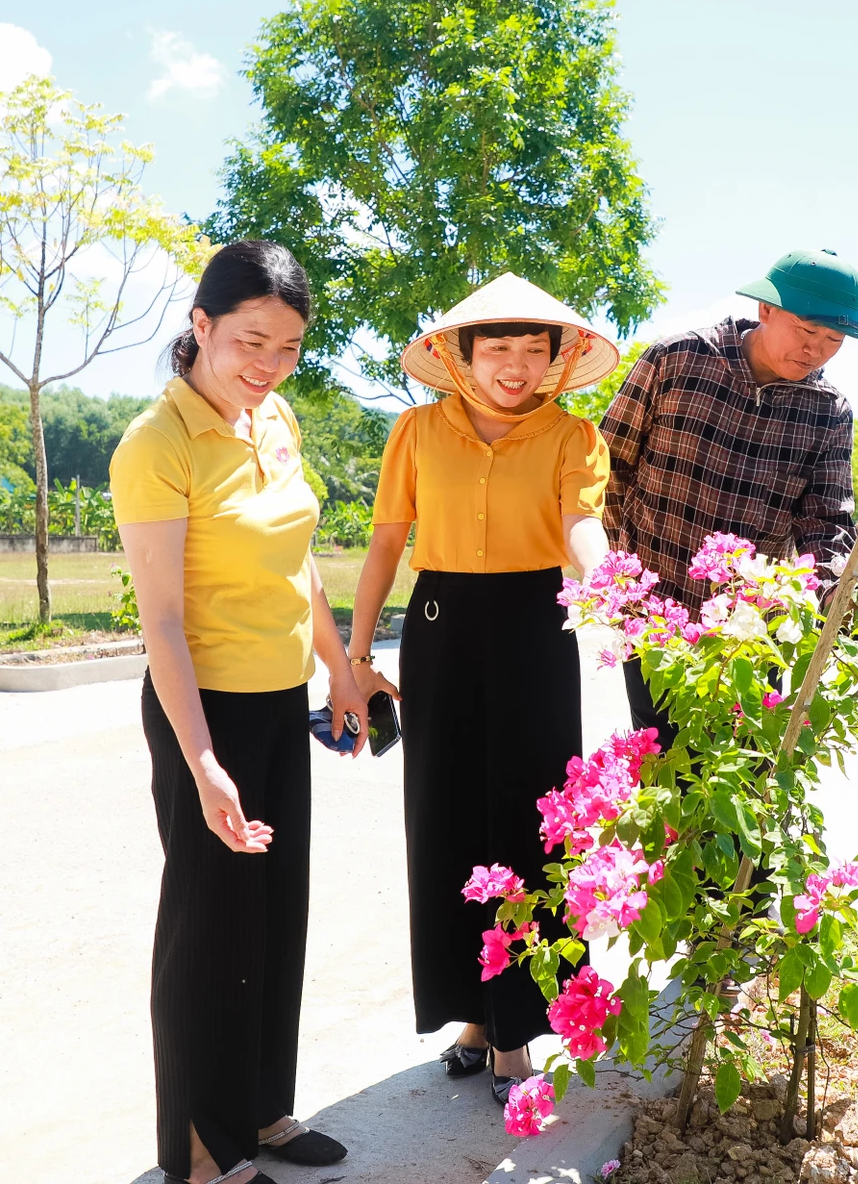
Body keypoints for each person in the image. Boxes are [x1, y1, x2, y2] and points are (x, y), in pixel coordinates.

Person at [112, 239, 367, 1184]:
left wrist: (340, 667)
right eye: (252, 341)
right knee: (208, 925)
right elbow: (163, 621)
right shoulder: (157, 443)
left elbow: (296, 560)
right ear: (202, 325)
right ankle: (197, 1144)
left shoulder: (277, 418)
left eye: (290, 348)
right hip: (201, 707)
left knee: (273, 913)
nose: (268, 365)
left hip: (279, 697)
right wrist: (202, 759)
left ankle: (262, 1109)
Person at [346, 273, 619, 1105]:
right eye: (496, 348)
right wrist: (357, 655)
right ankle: (473, 1015)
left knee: (534, 820)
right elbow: (388, 539)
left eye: (532, 350)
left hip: (536, 630)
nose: (514, 365)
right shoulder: (417, 431)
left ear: (557, 357)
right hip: (439, 628)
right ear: (459, 355)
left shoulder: (575, 436)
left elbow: (581, 522)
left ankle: (516, 1036)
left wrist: (607, 579)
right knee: (448, 820)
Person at [598, 248, 858, 741]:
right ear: (765, 310)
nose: (816, 350)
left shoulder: (829, 411)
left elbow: (826, 521)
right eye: (807, 331)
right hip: (654, 615)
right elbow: (607, 467)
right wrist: (623, 574)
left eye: (834, 340)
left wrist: (840, 588)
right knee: (661, 764)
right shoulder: (678, 359)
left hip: (750, 630)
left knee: (743, 772)